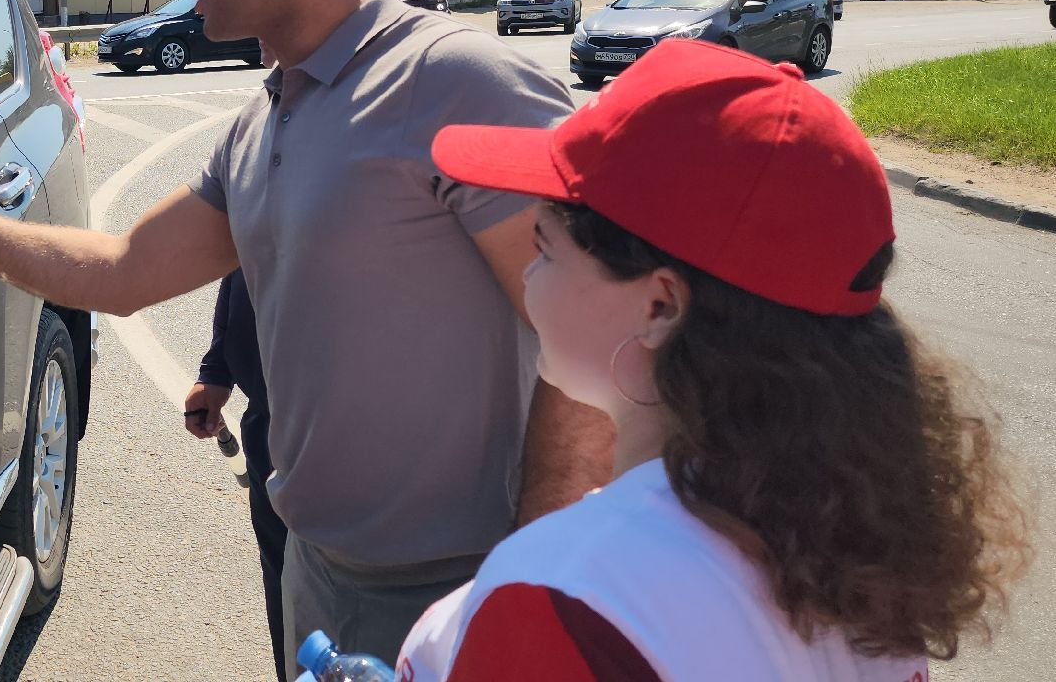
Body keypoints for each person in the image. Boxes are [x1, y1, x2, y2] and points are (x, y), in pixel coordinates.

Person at [0, 0, 613, 663]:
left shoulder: (460, 82)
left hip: (461, 590)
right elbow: (127, 270)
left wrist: (531, 578)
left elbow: (591, 337)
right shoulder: (264, 119)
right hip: (315, 572)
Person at [396, 39, 1031, 680]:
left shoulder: (567, 596)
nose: (528, 275)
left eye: (546, 248)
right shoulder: (853, 553)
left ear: (660, 306)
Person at [185, 269, 288, 681]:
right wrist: (217, 368)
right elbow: (242, 253)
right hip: (270, 429)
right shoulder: (252, 200)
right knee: (286, 590)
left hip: (370, 441)